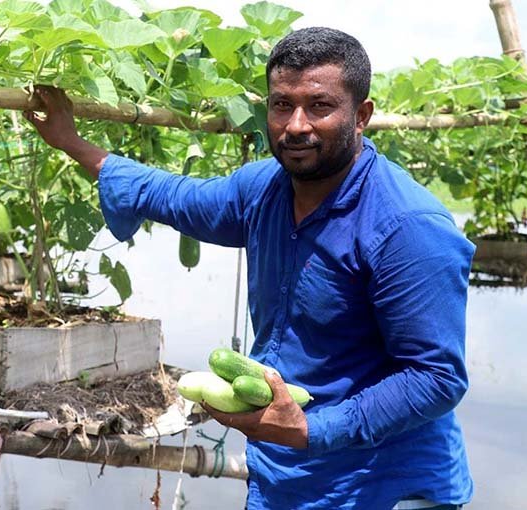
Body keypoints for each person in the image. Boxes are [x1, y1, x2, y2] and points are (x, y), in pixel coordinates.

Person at [24, 27, 473, 510]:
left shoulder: (408, 226)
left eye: (319, 106)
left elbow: (435, 377)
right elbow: (174, 197)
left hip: (382, 486)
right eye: (282, 105)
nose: (296, 124)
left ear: (361, 115)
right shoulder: (265, 189)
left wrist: (311, 429)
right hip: (287, 475)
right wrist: (73, 143)